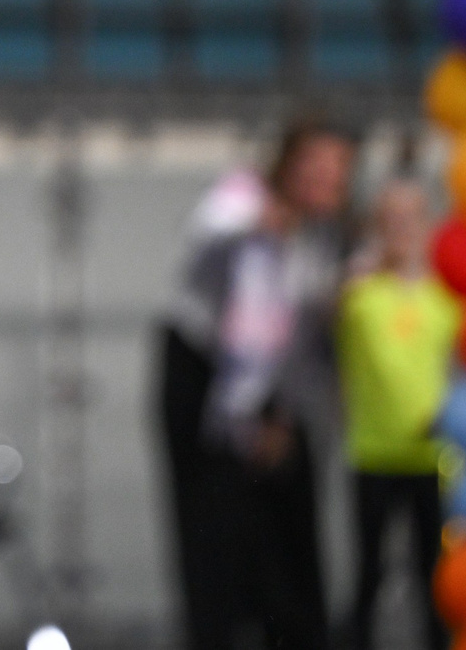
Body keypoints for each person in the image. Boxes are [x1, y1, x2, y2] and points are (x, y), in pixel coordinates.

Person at [158, 118, 357, 650]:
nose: (328, 178)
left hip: (281, 392)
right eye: (317, 164)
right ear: (288, 164)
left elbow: (307, 341)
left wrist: (281, 419)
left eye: (339, 169)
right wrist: (257, 224)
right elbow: (204, 238)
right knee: (214, 534)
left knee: (290, 538)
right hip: (204, 376)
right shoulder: (240, 200)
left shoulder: (326, 239)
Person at [337, 179, 460, 650]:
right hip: (373, 453)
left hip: (433, 456)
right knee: (370, 573)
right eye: (390, 219)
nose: (401, 229)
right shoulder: (358, 293)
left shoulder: (445, 297)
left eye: (410, 218)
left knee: (437, 580)